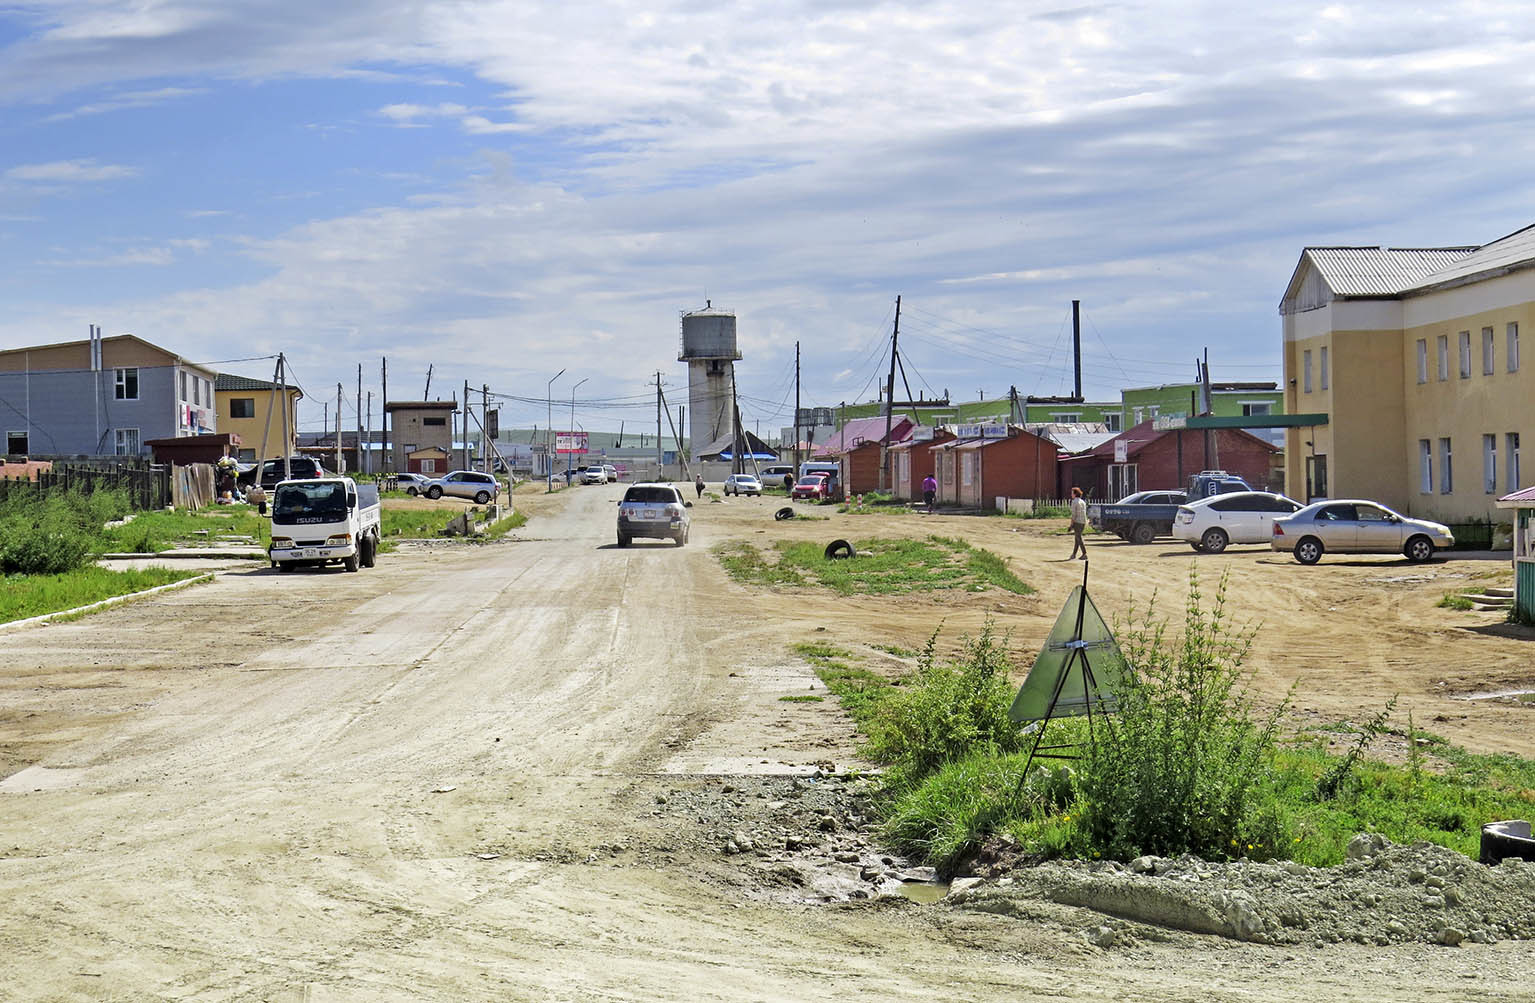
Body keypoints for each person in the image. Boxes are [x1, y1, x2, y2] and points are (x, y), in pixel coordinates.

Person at [1068, 486, 1088, 560]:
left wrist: (1071, 525)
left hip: (1077, 522)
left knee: (1078, 538)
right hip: (1083, 521)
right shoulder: (1083, 502)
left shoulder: (1074, 502)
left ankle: (1084, 553)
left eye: (1072, 493)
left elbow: (1074, 515)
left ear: (1075, 494)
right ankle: (1074, 554)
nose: (1071, 494)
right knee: (1077, 538)